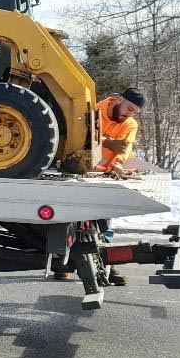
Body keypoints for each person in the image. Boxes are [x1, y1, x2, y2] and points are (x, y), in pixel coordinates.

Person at [56, 87, 144, 285]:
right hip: (80, 169)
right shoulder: (94, 110)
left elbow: (126, 147)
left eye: (134, 112)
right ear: (119, 99)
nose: (129, 114)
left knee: (104, 221)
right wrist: (107, 141)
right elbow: (83, 134)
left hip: (105, 172)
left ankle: (107, 264)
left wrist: (118, 163)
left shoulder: (130, 124)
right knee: (72, 218)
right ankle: (63, 264)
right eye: (129, 108)